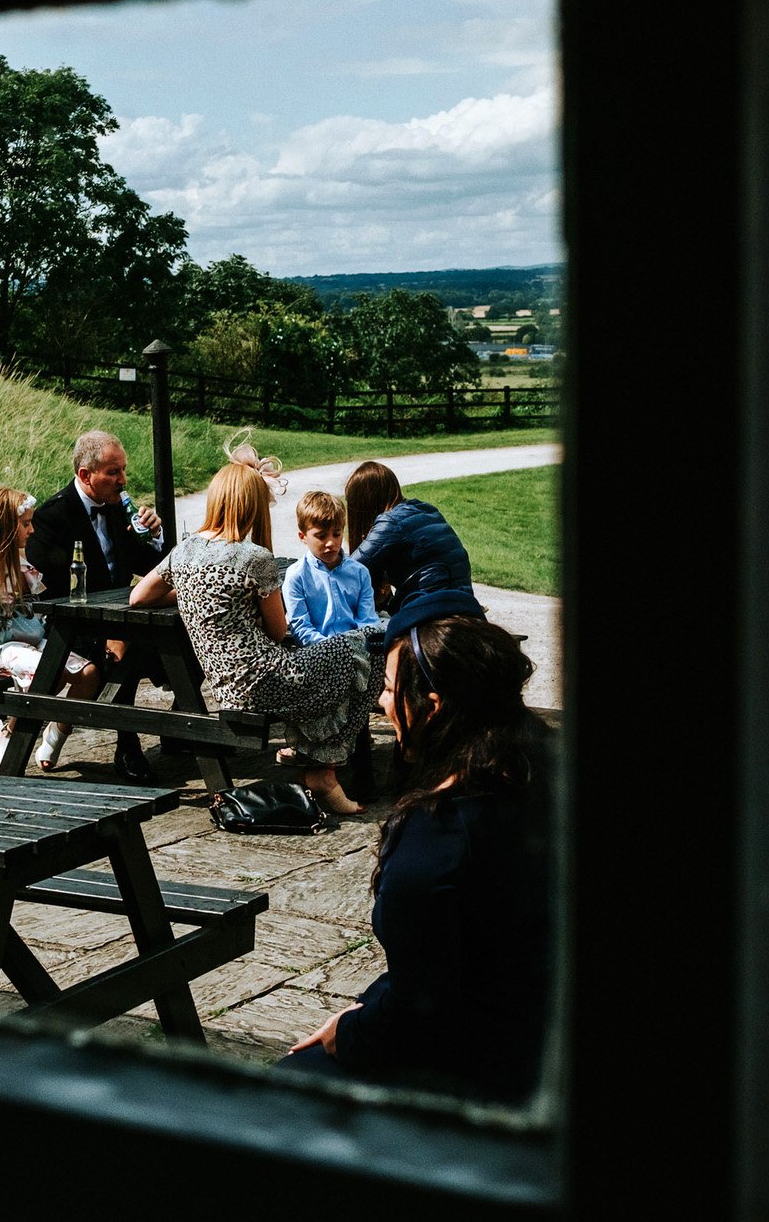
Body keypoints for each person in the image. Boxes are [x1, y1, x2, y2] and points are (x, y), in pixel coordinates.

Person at [279, 614, 550, 1104]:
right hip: (538, 1014)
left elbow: (425, 1008)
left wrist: (354, 1031)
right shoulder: (542, 771)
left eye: (386, 689)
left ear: (433, 706)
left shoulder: (437, 839)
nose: (382, 704)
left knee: (279, 1093)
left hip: (491, 1062)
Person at [128, 462, 375, 816]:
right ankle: (323, 770)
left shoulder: (184, 551)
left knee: (344, 661)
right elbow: (278, 631)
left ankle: (318, 764)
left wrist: (193, 592)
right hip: (266, 679)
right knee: (366, 649)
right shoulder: (255, 559)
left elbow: (139, 597)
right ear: (254, 506)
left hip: (225, 686)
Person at [27, 429, 165, 781]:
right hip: (71, 624)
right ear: (86, 476)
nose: (123, 481)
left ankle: (179, 728)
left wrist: (155, 534)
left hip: (120, 618)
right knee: (131, 644)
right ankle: (127, 742)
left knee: (180, 636)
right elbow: (50, 592)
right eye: (113, 472)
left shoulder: (120, 507)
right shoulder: (52, 517)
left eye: (123, 471)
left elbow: (150, 566)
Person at [0, 485, 104, 772]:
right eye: (26, 524)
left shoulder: (19, 563)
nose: (32, 531)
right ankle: (8, 736)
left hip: (24, 640)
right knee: (46, 671)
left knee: (88, 673)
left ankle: (55, 733)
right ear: (5, 528)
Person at [344, 461, 486, 636]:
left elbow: (349, 570)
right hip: (463, 602)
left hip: (432, 609)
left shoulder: (390, 522)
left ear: (364, 502)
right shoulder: (424, 509)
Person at [281, 490, 383, 647]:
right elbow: (302, 629)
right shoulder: (297, 576)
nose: (330, 543)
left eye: (336, 534)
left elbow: (367, 621)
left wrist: (356, 647)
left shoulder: (359, 572)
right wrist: (335, 650)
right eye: (321, 536)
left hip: (360, 648)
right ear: (303, 537)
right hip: (318, 651)